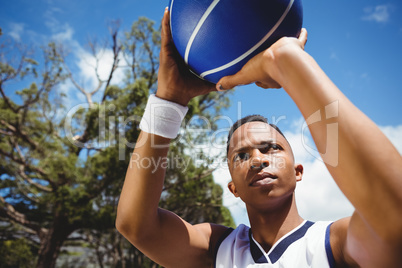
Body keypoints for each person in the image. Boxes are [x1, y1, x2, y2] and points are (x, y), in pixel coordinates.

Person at [116, 7, 402, 268]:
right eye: (241, 155)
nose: (257, 160)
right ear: (233, 188)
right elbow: (136, 226)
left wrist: (286, 62)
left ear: (298, 171)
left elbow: (394, 213)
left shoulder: (333, 244)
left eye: (271, 148)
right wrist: (168, 102)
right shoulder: (217, 250)